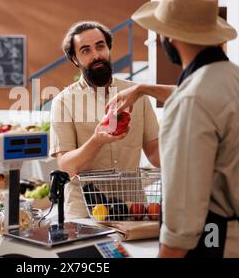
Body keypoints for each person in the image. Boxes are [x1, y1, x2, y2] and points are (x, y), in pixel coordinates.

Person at [107, 0, 239, 258]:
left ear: (169, 36)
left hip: (210, 244)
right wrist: (143, 88)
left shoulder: (191, 101)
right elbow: (202, 95)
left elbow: (182, 211)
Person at [49, 21, 161, 218]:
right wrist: (96, 141)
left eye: (100, 46)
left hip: (132, 209)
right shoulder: (64, 101)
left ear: (108, 49)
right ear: (75, 59)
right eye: (86, 50)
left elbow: (154, 152)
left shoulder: (137, 94)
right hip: (85, 213)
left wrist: (194, 165)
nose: (96, 55)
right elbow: (67, 166)